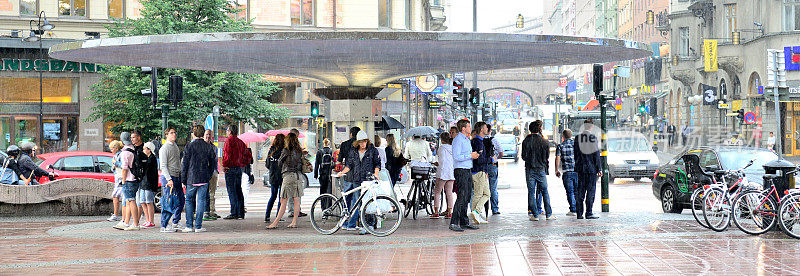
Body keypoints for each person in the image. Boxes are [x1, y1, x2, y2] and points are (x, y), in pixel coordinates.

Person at [335, 130, 381, 234]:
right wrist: (342, 172)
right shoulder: (353, 151)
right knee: (358, 203)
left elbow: (377, 163)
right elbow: (349, 165)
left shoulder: (372, 150)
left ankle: (370, 224)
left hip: (368, 180)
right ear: (357, 142)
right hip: (357, 180)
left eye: (364, 142)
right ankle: (363, 224)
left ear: (367, 141)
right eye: (360, 142)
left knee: (368, 203)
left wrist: (376, 173)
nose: (363, 144)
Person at [267, 132, 306, 229]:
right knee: (296, 200)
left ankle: (275, 222)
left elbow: (280, 162)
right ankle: (294, 222)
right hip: (298, 176)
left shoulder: (286, 150)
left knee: (283, 200)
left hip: (288, 176)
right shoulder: (299, 151)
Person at [181, 125, 217, 232]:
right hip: (203, 178)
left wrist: (183, 179)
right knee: (201, 201)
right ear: (202, 134)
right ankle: (198, 226)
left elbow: (185, 164)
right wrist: (208, 175)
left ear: (193, 133)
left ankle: (188, 225)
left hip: (191, 178)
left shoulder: (189, 146)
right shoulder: (208, 146)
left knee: (189, 201)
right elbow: (212, 163)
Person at [449, 119, 480, 232]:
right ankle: (454, 222)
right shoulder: (458, 140)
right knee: (462, 196)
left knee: (467, 196)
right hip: (460, 170)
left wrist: (473, 156)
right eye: (468, 126)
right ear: (463, 128)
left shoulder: (466, 139)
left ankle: (464, 221)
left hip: (467, 169)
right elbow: (456, 156)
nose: (470, 128)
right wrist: (470, 155)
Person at [522, 120, 552, 221]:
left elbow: (523, 156)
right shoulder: (544, 141)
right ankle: (549, 214)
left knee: (531, 192)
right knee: (544, 191)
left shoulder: (526, 140)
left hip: (530, 169)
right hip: (541, 169)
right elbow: (546, 157)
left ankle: (535, 215)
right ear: (539, 129)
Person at [574, 119, 601, 220]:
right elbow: (596, 154)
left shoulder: (577, 138)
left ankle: (579, 213)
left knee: (580, 191)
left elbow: (575, 153)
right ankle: (589, 212)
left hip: (580, 168)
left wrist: (577, 165)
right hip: (591, 169)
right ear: (591, 127)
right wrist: (599, 169)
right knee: (590, 191)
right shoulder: (593, 138)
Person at [114, 132, 141, 231]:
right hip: (135, 178)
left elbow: (125, 168)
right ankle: (126, 222)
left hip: (129, 179)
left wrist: (124, 181)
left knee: (131, 201)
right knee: (129, 201)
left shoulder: (125, 152)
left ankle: (135, 224)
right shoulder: (133, 149)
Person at [159, 128, 183, 231]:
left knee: (181, 200)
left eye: (175, 132)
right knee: (168, 201)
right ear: (166, 135)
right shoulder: (164, 148)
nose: (174, 134)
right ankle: (164, 225)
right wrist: (169, 179)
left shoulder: (175, 146)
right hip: (169, 177)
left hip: (176, 176)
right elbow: (163, 166)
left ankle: (175, 221)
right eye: (171, 133)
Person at [222, 124, 246, 220]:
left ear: (230, 131)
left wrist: (225, 165)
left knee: (231, 190)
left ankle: (234, 212)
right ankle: (241, 212)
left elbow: (227, 154)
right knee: (238, 190)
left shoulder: (229, 141)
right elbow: (246, 154)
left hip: (230, 168)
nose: (226, 132)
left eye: (227, 130)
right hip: (238, 168)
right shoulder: (240, 142)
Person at [470, 122, 491, 224]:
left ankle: (476, 212)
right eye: (486, 127)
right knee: (478, 194)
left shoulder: (479, 141)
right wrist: (490, 159)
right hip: (478, 171)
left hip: (482, 171)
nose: (488, 129)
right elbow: (479, 158)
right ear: (482, 129)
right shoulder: (477, 142)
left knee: (487, 193)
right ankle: (476, 213)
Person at [554, 129, 577, 216]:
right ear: (571, 135)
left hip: (567, 172)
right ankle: (578, 208)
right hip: (577, 171)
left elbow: (557, 158)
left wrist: (556, 170)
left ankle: (573, 210)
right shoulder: (576, 145)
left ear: (563, 136)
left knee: (570, 192)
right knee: (577, 191)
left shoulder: (560, 146)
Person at [432, 132, 454, 219]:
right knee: (449, 193)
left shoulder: (441, 148)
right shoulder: (453, 148)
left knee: (437, 192)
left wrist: (436, 163)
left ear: (442, 140)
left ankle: (436, 212)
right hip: (451, 173)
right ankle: (449, 212)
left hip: (442, 173)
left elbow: (440, 160)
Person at [264, 134, 285, 222]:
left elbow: (267, 164)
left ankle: (267, 215)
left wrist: (272, 169)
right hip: (282, 175)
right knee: (281, 197)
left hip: (273, 176)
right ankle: (278, 216)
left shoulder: (271, 150)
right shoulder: (284, 151)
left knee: (273, 196)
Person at [137, 142, 158, 229]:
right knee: (142, 201)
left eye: (145, 148)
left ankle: (151, 221)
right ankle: (147, 219)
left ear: (149, 149)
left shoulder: (152, 158)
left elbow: (148, 170)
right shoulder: (146, 158)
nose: (143, 150)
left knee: (149, 202)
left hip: (148, 182)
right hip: (143, 182)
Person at [202, 129, 221, 221]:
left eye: (209, 135)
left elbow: (216, 160)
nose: (208, 136)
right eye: (206, 134)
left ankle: (212, 211)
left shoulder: (214, 147)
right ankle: (205, 211)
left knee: (212, 193)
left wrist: (217, 172)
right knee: (204, 193)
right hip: (204, 172)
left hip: (213, 172)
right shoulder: (201, 146)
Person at [485, 126, 502, 216]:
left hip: (482, 166)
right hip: (493, 165)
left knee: (481, 189)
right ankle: (495, 209)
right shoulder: (495, 140)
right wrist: (495, 159)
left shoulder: (480, 140)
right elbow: (501, 153)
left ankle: (480, 209)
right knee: (493, 188)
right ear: (490, 131)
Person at [106, 140, 124, 221]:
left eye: (112, 149)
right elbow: (114, 168)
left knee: (118, 196)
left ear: (116, 148)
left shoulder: (121, 155)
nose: (111, 150)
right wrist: (113, 167)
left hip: (121, 178)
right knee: (116, 196)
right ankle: (117, 214)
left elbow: (124, 166)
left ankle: (120, 215)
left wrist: (115, 163)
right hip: (118, 177)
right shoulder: (115, 156)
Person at [314, 138, 334, 209]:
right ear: (329, 144)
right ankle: (329, 207)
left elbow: (316, 164)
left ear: (323, 144)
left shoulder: (319, 152)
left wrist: (315, 174)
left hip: (322, 174)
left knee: (322, 191)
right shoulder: (332, 151)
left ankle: (323, 208)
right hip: (330, 174)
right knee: (329, 191)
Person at [241, 147, 254, 213]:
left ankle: (241, 206)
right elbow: (251, 162)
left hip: (239, 171)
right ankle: (244, 205)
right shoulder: (248, 150)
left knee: (241, 189)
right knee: (245, 189)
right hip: (246, 172)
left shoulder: (238, 150)